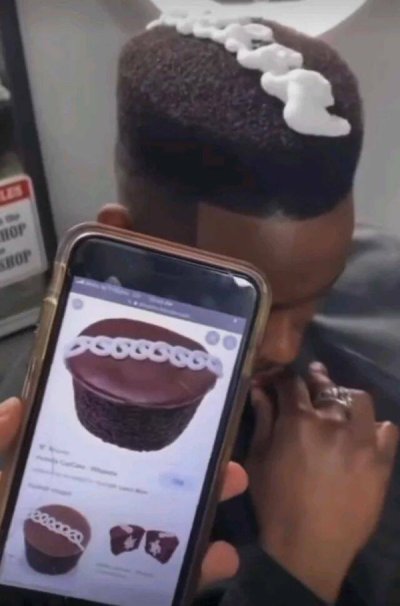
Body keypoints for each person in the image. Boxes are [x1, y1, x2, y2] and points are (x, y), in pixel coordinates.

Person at [0, 14, 398, 606]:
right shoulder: (34, 444)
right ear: (129, 240)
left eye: (322, 288)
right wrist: (301, 562)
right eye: (252, 298)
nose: (285, 347)